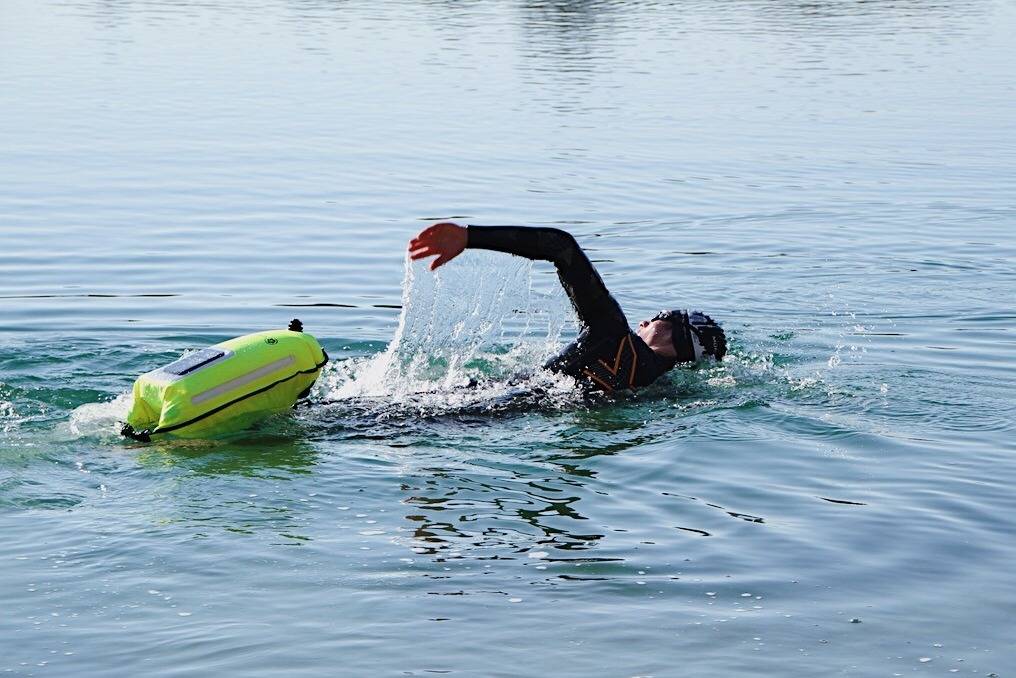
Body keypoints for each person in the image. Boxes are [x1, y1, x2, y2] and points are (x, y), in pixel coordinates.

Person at [408, 222, 726, 395]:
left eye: (659, 317)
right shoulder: (661, 390)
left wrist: (469, 237)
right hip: (510, 420)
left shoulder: (612, 332)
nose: (645, 320)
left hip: (480, 401)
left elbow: (562, 246)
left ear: (673, 335)